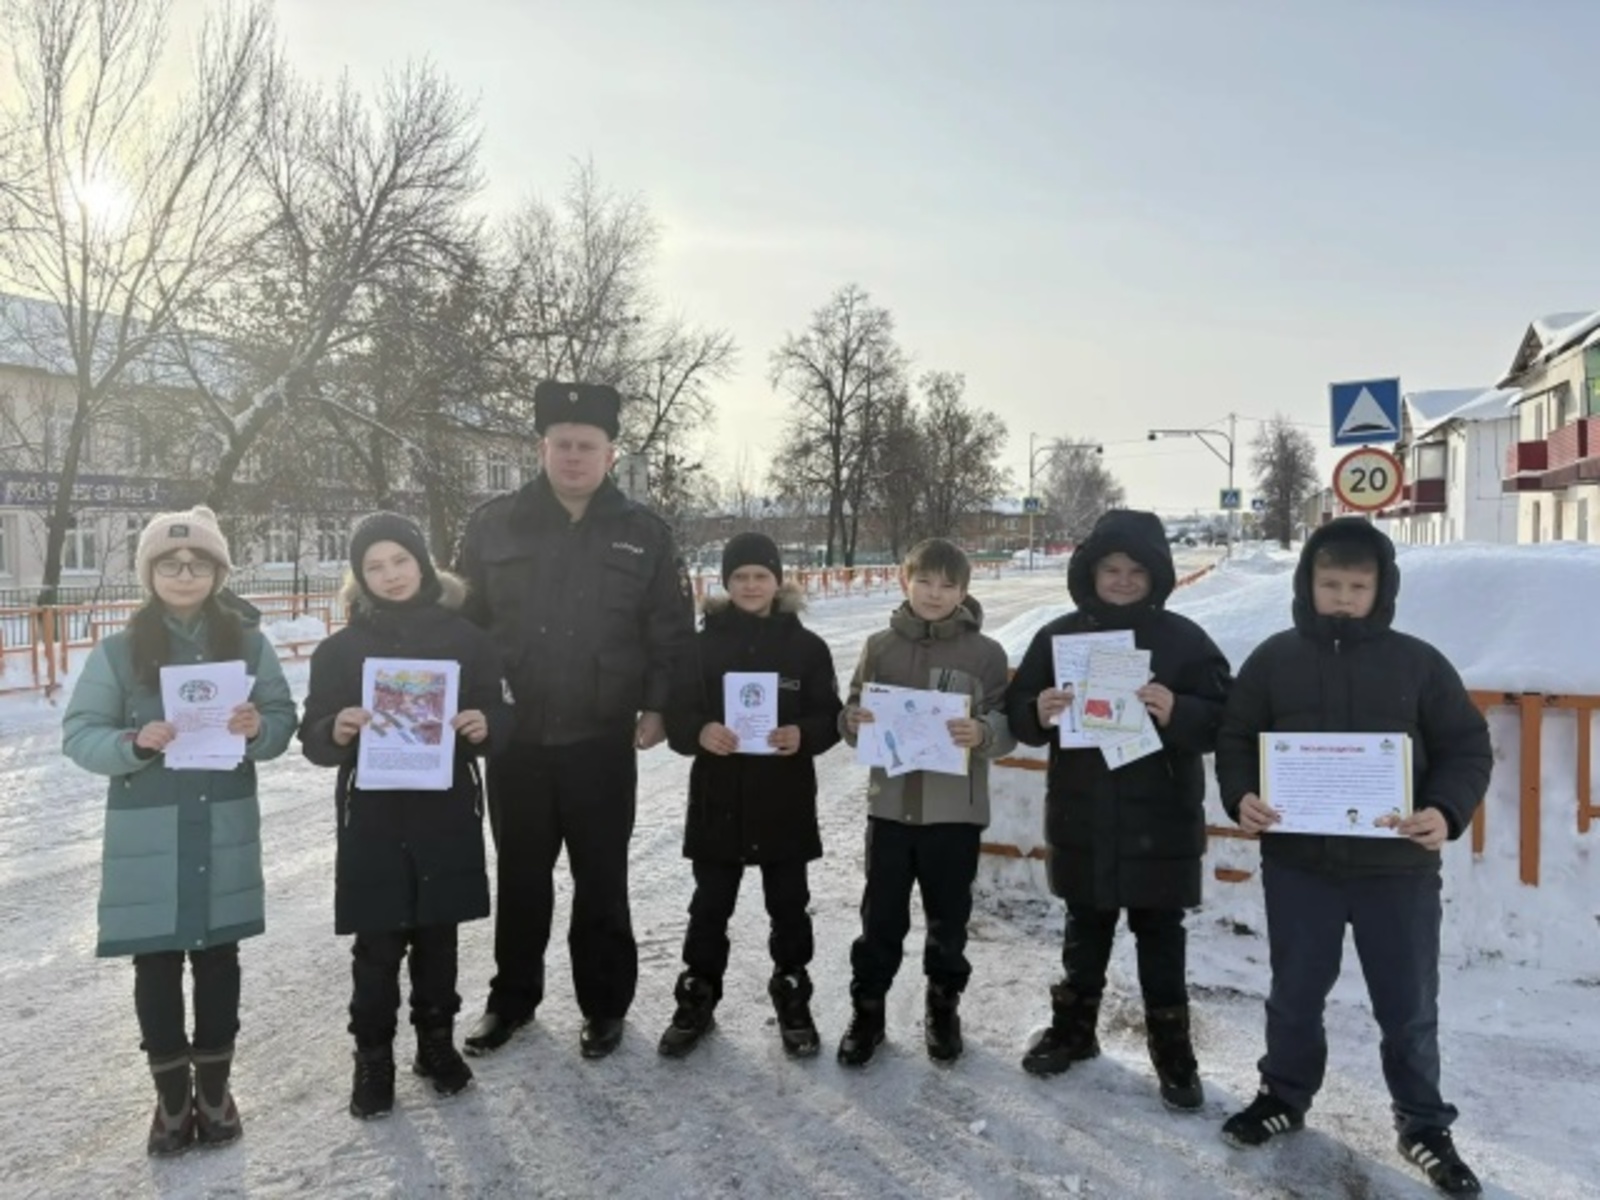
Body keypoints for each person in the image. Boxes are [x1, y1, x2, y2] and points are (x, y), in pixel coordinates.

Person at [1214, 517, 1491, 1197]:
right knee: (1295, 992)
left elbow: (1466, 746)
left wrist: (1444, 810)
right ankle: (1283, 1095)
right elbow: (1237, 737)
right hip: (1299, 865)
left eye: (1357, 587)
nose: (1342, 598)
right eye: (1330, 584)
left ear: (1381, 590)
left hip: (1396, 871)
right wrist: (1241, 795)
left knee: (1407, 1002)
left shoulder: (1417, 663)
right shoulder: (1274, 660)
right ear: (1307, 583)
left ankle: (1423, 1123)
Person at [456, 380, 696, 1059]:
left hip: (601, 736)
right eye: (561, 443)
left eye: (587, 445)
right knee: (520, 875)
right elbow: (464, 624)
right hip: (517, 737)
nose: (573, 456)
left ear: (610, 453)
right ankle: (512, 1000)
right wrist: (471, 702)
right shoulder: (493, 525)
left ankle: (605, 1005)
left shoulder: (644, 534)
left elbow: (669, 631)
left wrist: (658, 705)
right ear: (542, 448)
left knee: (601, 877)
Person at [62, 506, 296, 1156]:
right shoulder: (118, 651)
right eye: (170, 562)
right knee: (157, 962)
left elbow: (282, 718)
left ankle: (215, 1093)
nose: (184, 573)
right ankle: (170, 1101)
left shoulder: (247, 644)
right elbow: (80, 733)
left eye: (198, 563)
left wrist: (259, 728)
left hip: (222, 825)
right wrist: (134, 742)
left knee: (219, 959)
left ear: (219, 572)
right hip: (149, 835)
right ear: (149, 572)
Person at [1005, 508, 1231, 1110]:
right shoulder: (1058, 638)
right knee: (1085, 927)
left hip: (1162, 817)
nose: (1124, 580)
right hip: (1083, 814)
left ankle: (1173, 1051)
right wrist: (1038, 711)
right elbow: (1019, 711)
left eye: (1137, 570)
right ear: (1091, 572)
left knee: (1161, 936)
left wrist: (1178, 710)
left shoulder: (1186, 641)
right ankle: (1074, 1031)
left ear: (1157, 576)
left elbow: (1223, 717)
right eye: (1112, 569)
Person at [298, 513, 511, 1119]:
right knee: (378, 941)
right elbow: (312, 734)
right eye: (374, 566)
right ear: (359, 577)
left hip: (444, 808)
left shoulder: (467, 639)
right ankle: (373, 1057)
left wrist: (485, 725)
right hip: (373, 814)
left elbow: (499, 712)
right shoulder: (340, 650)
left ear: (423, 563)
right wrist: (334, 729)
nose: (390, 575)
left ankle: (435, 1043)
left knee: (438, 934)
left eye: (400, 560)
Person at [656, 532, 842, 1058]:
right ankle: (697, 994)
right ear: (726, 583)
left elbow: (829, 716)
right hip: (719, 798)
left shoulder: (807, 648)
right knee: (710, 905)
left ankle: (792, 992)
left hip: (784, 798)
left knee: (789, 905)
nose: (751, 585)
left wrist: (804, 734)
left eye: (761, 575)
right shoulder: (700, 647)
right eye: (740, 576)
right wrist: (700, 731)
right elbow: (677, 716)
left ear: (778, 581)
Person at [835, 537, 1015, 1067]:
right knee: (880, 919)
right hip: (890, 810)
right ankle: (868, 1011)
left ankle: (942, 1008)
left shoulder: (985, 654)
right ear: (904, 581)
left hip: (954, 815)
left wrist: (982, 731)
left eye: (947, 585)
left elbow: (1007, 726)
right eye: (924, 581)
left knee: (948, 920)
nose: (935, 593)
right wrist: (852, 720)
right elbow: (853, 708)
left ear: (964, 591)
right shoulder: (879, 647)